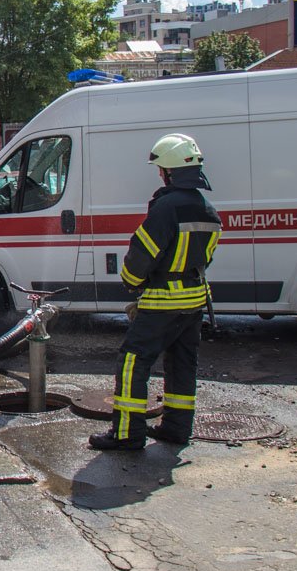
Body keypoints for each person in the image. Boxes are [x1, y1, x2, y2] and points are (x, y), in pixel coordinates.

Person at [89, 133, 222, 450]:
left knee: (133, 362)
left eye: (160, 168)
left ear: (169, 171)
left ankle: (126, 433)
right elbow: (207, 257)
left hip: (162, 300)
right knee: (182, 363)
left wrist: (131, 282)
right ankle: (177, 428)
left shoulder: (165, 208)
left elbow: (141, 255)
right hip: (195, 300)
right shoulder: (208, 210)